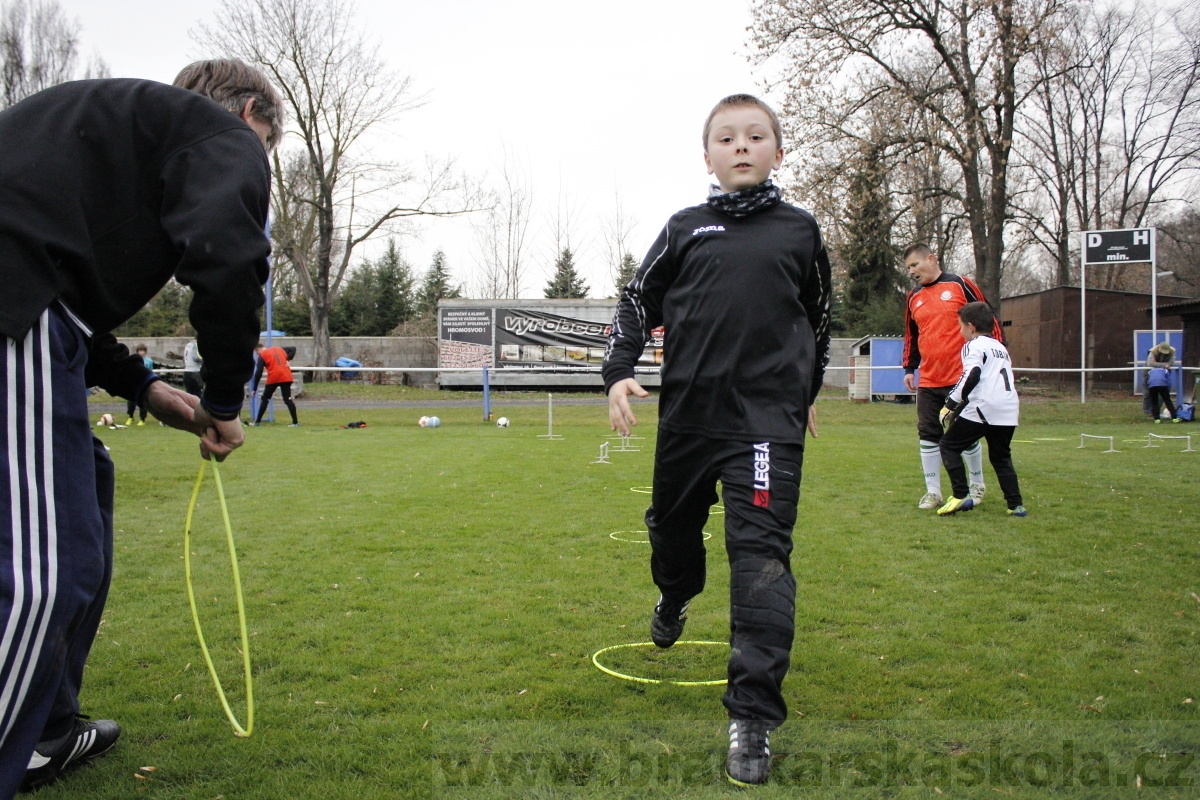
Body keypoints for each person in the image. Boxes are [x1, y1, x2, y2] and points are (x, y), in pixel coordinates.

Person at [0, 59, 282, 797]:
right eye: (264, 147)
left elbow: (66, 298)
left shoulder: (113, 142)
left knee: (88, 486)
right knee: (43, 574)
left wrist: (146, 387)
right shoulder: (222, 135)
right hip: (15, 316)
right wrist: (224, 401)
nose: (255, 169)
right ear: (250, 111)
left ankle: (45, 728)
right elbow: (227, 259)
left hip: (39, 320)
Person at [604, 94, 830, 787]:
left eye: (755, 136)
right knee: (672, 535)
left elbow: (819, 319)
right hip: (688, 422)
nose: (741, 146)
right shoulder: (684, 229)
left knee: (760, 558)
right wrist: (618, 373)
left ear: (777, 152)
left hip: (764, 424)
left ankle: (753, 717)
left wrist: (806, 392)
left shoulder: (799, 231)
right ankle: (674, 597)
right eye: (726, 138)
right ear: (707, 156)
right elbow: (637, 299)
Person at [902, 243, 1000, 510]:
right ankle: (933, 492)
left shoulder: (960, 285)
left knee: (962, 433)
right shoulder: (913, 297)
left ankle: (976, 484)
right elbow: (912, 335)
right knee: (928, 433)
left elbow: (988, 320)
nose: (911, 271)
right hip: (929, 380)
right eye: (908, 268)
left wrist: (996, 358)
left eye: (914, 265)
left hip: (961, 378)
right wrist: (909, 369)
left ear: (931, 259)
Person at [935, 302, 1027, 517]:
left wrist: (950, 403)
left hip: (985, 406)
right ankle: (1016, 506)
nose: (960, 331)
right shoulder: (1001, 348)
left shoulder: (974, 345)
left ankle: (961, 495)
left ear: (971, 327)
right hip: (1009, 409)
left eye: (960, 326)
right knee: (1001, 457)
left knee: (948, 446)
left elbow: (972, 374)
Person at [251, 343, 299, 426]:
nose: (257, 355)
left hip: (273, 377)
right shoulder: (279, 349)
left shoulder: (262, 355)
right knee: (288, 399)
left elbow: (259, 372)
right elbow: (293, 348)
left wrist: (255, 388)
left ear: (258, 350)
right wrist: (287, 359)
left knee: (265, 398)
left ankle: (257, 422)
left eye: (257, 353)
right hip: (286, 376)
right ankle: (295, 422)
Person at [1143, 340, 1176, 418]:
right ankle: (1148, 411)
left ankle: (1155, 411)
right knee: (1147, 393)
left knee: (1162, 395)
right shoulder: (1152, 351)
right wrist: (1164, 365)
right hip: (1148, 373)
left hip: (1163, 374)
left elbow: (1171, 362)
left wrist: (1159, 365)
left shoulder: (1172, 351)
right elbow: (1150, 363)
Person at [124, 345, 156, 425]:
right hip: (134, 383)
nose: (141, 352)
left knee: (143, 402)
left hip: (143, 383)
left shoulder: (148, 361)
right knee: (131, 401)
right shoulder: (133, 360)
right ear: (137, 351)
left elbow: (150, 371)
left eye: (143, 350)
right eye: (140, 350)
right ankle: (130, 417)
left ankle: (142, 419)